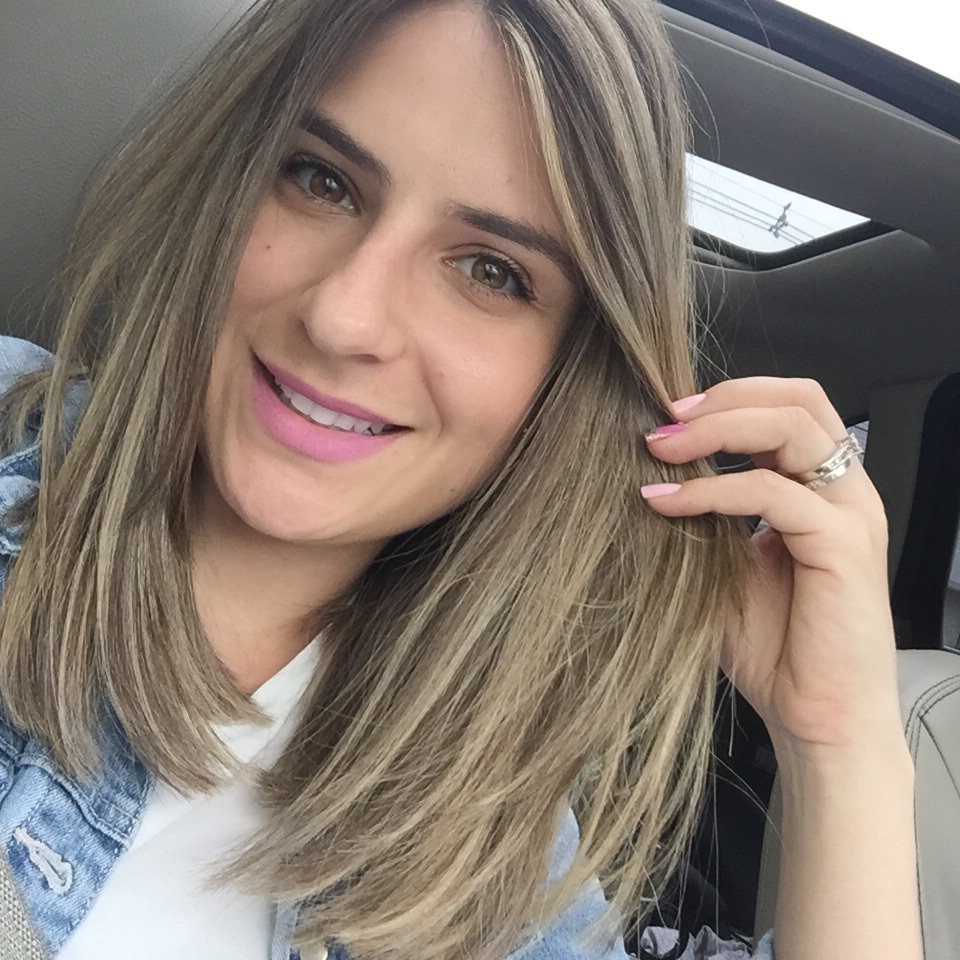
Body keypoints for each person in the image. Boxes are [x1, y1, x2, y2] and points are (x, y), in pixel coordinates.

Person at [0, 1, 920, 959]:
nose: (345, 317)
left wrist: (841, 742)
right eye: (322, 180)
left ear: (564, 378)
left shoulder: (484, 844)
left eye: (489, 270)